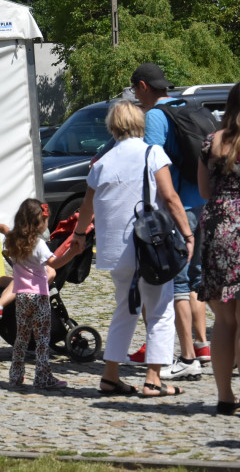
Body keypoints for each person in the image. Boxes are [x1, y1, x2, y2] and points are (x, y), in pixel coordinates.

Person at [72, 101, 193, 397]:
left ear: (113, 127)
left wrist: (77, 235)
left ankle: (110, 376)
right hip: (149, 247)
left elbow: (87, 206)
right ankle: (153, 379)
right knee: (160, 310)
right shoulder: (153, 154)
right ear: (139, 123)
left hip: (115, 252)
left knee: (125, 310)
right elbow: (171, 197)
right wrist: (188, 235)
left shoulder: (100, 164)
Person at [130, 63, 209, 378]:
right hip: (202, 202)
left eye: (136, 90)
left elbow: (151, 164)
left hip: (177, 209)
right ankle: (203, 348)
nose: (136, 97)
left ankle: (187, 359)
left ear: (144, 86)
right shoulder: (187, 108)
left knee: (176, 282)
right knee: (195, 280)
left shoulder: (154, 118)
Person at [4, 198, 84, 390]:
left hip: (21, 297)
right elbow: (54, 264)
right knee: (41, 339)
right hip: (39, 296)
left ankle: (15, 375)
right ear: (38, 222)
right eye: (46, 220)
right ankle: (42, 376)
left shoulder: (13, 240)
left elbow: (4, 229)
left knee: (21, 337)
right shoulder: (38, 245)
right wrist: (72, 253)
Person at [196, 80, 240, 414]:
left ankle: (225, 398)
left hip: (215, 227)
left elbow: (205, 192)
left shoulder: (210, 142)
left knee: (224, 322)